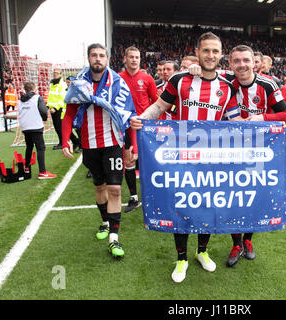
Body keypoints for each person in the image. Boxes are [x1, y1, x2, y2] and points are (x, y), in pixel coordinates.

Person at [130, 32, 242, 283]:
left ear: (221, 54)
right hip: (181, 157)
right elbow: (159, 106)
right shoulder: (180, 79)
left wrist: (261, 127)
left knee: (207, 206)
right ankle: (181, 258)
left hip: (212, 159)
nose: (210, 55)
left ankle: (202, 252)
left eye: (215, 51)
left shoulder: (227, 86)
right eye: (206, 51)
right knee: (180, 206)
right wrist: (142, 118)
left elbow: (236, 122)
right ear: (198, 52)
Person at [62, 43, 138, 258]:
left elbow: (130, 115)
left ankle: (114, 238)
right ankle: (105, 222)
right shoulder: (79, 85)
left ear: (108, 59)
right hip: (89, 145)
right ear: (89, 58)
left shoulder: (118, 84)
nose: (98, 58)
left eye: (102, 55)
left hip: (113, 143)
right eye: (94, 55)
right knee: (99, 187)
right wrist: (66, 140)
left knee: (114, 189)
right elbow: (68, 115)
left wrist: (133, 144)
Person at [224, 44, 286, 268]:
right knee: (232, 197)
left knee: (253, 195)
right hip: (231, 149)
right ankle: (235, 243)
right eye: (237, 61)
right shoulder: (225, 83)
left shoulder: (268, 83)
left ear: (254, 62)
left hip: (259, 150)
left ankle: (249, 240)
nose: (242, 65)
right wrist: (193, 66)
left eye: (246, 60)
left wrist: (261, 118)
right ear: (230, 64)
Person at [119, 46, 158, 213]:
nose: (134, 60)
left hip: (145, 127)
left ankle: (153, 195)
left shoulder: (147, 78)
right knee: (129, 160)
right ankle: (133, 197)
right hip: (126, 126)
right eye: (131, 57)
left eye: (137, 57)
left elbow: (156, 101)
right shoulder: (118, 78)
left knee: (149, 160)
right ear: (125, 59)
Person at [17, 81, 57, 179]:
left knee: (29, 146)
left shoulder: (20, 100)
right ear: (35, 89)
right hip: (35, 126)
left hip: (25, 126)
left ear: (25, 89)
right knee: (40, 148)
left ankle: (26, 167)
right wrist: (44, 119)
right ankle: (42, 172)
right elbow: (43, 111)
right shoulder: (38, 98)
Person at [47, 67, 68, 150]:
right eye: (54, 72)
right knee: (57, 127)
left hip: (59, 109)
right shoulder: (52, 84)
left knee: (60, 127)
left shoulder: (62, 85)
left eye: (57, 72)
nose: (55, 74)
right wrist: (49, 106)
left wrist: (55, 108)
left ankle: (64, 142)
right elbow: (50, 97)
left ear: (61, 74)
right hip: (53, 109)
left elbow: (62, 98)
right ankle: (64, 142)